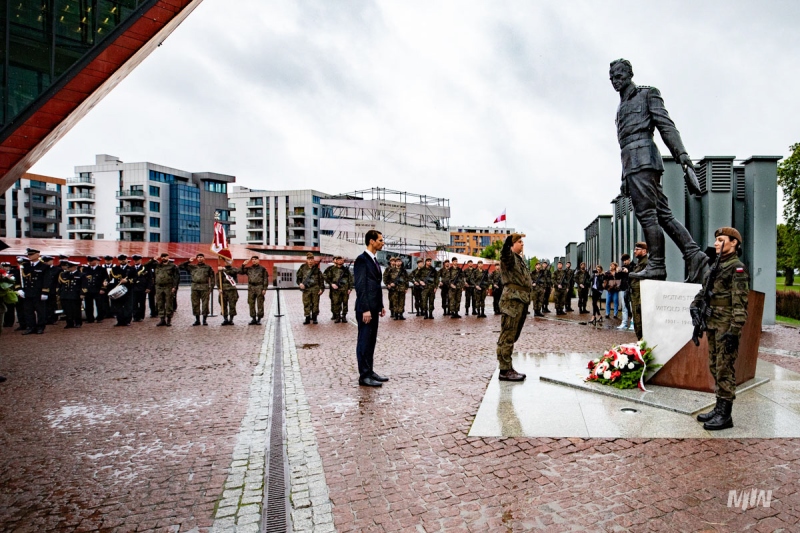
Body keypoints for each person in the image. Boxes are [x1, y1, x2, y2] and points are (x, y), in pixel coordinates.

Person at [610, 58, 708, 283]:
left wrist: (683, 158)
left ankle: (656, 265)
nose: (616, 81)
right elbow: (623, 144)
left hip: (644, 160)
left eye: (620, 76)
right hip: (632, 164)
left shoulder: (647, 94)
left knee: (647, 215)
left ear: (630, 74)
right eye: (612, 78)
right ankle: (695, 256)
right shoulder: (620, 107)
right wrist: (624, 175)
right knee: (663, 215)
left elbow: (666, 126)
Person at [691, 227, 749, 431]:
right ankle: (719, 407)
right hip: (713, 322)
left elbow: (740, 303)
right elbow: (704, 291)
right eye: (716, 240)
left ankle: (725, 415)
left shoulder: (737, 268)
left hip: (726, 324)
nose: (716, 243)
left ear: (733, 243)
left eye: (721, 240)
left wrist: (735, 329)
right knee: (715, 366)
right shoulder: (715, 266)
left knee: (725, 368)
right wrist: (694, 305)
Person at [354, 229, 388, 387]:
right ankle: (364, 376)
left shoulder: (374, 260)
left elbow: (375, 285)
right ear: (372, 241)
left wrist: (380, 305)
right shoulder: (361, 260)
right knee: (364, 341)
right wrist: (366, 309)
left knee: (371, 341)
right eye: (380, 240)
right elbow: (361, 286)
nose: (382, 243)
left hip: (374, 307)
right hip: (365, 309)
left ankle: (370, 371)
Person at [496, 234, 532, 381]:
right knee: (507, 336)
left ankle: (508, 367)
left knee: (513, 335)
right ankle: (505, 370)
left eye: (522, 241)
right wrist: (509, 239)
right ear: (512, 245)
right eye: (519, 242)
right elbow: (504, 253)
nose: (522, 244)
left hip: (520, 301)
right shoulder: (509, 258)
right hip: (512, 301)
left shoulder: (519, 259)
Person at [16, 248, 52, 335]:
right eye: (28, 254)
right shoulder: (25, 266)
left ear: (37, 255)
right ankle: (30, 327)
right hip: (27, 292)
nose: (29, 256)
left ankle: (40, 327)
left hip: (38, 292)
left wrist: (45, 292)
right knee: (28, 311)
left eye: (31, 254)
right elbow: (19, 279)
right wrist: (19, 289)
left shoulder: (44, 266)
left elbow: (46, 280)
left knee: (40, 311)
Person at [179, 253, 216, 326]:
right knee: (195, 304)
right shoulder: (192, 267)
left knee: (205, 304)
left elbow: (212, 278)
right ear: (196, 259)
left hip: (204, 287)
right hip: (195, 287)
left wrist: (211, 288)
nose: (200, 258)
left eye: (201, 257)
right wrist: (188, 261)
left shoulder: (208, 267)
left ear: (204, 258)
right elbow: (180, 266)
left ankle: (204, 320)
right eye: (198, 257)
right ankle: (197, 320)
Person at [147, 253, 180, 326]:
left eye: (165, 257)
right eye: (162, 257)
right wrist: (152, 260)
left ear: (168, 257)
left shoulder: (173, 266)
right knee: (160, 303)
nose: (163, 258)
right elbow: (145, 266)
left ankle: (168, 320)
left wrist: (174, 287)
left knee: (169, 303)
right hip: (158, 286)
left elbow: (176, 277)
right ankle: (162, 319)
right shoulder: (157, 265)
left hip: (168, 286)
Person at [324, 255, 354, 323]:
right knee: (336, 303)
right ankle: (337, 316)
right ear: (336, 261)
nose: (340, 261)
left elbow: (350, 279)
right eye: (339, 260)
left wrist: (350, 288)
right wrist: (331, 284)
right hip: (336, 290)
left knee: (345, 303)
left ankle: (344, 316)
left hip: (345, 289)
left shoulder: (346, 270)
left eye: (341, 260)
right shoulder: (332, 269)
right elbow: (326, 276)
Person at [241, 255, 270, 325]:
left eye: (255, 259)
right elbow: (241, 272)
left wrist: (264, 289)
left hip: (259, 287)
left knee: (260, 303)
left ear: (258, 260)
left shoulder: (262, 269)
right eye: (252, 259)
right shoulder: (249, 269)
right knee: (251, 303)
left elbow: (265, 279)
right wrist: (243, 265)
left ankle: (259, 318)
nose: (254, 260)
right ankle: (253, 318)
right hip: (251, 287)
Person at [296, 252, 323, 325]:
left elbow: (321, 279)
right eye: (309, 259)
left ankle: (314, 318)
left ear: (313, 260)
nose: (310, 261)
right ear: (307, 260)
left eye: (311, 259)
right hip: (306, 289)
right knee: (306, 303)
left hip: (315, 288)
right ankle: (307, 317)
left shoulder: (316, 268)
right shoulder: (303, 267)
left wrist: (321, 289)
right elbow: (298, 277)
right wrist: (300, 284)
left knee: (315, 303)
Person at [58, 260, 86, 328]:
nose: (68, 268)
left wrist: (82, 293)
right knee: (67, 310)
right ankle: (69, 323)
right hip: (65, 294)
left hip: (75, 294)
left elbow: (84, 285)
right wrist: (59, 293)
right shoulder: (63, 274)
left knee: (76, 310)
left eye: (69, 267)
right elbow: (60, 284)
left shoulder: (81, 275)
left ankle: (78, 322)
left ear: (74, 267)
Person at [110, 254, 135, 327]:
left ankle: (127, 321)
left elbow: (135, 278)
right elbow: (110, 278)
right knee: (118, 306)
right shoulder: (114, 269)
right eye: (121, 259)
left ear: (127, 260)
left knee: (128, 306)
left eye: (124, 259)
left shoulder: (131, 269)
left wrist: (127, 281)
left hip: (128, 290)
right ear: (118, 261)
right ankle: (119, 321)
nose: (123, 261)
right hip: (118, 290)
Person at [629, 242, 648, 339]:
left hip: (640, 298)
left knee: (641, 324)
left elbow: (646, 283)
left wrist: (641, 302)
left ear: (644, 251)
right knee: (637, 324)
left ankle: (643, 345)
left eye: (637, 249)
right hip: (635, 297)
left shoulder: (646, 263)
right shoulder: (639, 263)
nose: (635, 251)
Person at [81, 256, 107, 323]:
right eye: (89, 261)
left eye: (92, 261)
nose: (91, 262)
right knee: (88, 305)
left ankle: (100, 317)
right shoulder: (85, 269)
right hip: (88, 290)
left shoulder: (102, 269)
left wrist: (103, 288)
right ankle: (90, 318)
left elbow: (105, 279)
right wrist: (84, 290)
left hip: (98, 289)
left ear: (96, 261)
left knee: (99, 304)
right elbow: (83, 280)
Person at [130, 254, 152, 322]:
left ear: (140, 260)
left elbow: (150, 279)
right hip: (133, 288)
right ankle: (135, 316)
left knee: (142, 303)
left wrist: (148, 287)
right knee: (134, 303)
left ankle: (141, 316)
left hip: (142, 288)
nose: (136, 261)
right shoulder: (131, 268)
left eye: (137, 260)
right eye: (135, 260)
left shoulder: (145, 268)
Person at [219, 259, 240, 325]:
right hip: (223, 290)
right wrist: (219, 288)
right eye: (226, 261)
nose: (227, 263)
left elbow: (234, 272)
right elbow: (218, 279)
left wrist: (224, 269)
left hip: (232, 289)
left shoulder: (234, 269)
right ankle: (225, 319)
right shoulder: (220, 270)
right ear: (224, 262)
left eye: (229, 261)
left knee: (232, 304)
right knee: (223, 304)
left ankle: (231, 319)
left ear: (232, 262)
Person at [617, 254, 631, 330]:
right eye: (623, 261)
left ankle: (632, 323)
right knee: (624, 307)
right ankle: (624, 323)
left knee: (631, 306)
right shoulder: (622, 267)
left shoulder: (633, 266)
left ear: (629, 259)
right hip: (623, 288)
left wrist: (628, 271)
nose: (625, 262)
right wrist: (618, 271)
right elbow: (617, 277)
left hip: (630, 289)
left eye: (626, 260)